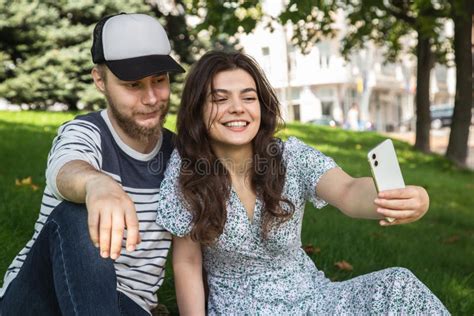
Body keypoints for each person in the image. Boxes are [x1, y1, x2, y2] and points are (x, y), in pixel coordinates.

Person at [155, 51, 449, 315]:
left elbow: (348, 190)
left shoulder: (290, 157)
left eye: (248, 97)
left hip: (314, 300)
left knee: (397, 284)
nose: (237, 108)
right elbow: (188, 263)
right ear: (198, 108)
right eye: (220, 99)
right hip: (240, 308)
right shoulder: (187, 169)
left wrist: (399, 198)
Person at [0, 13, 184, 315]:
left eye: (160, 80)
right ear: (100, 80)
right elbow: (67, 166)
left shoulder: (179, 155)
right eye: (133, 84)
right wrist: (96, 184)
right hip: (38, 299)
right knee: (76, 210)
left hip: (126, 303)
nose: (151, 98)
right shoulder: (85, 131)